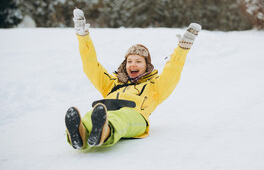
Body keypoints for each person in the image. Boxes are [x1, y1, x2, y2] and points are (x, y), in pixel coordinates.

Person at [65, 8, 201, 150]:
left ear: (146, 65)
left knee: (121, 119)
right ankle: (79, 134)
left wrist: (182, 49)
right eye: (129, 61)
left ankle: (104, 131)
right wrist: (83, 37)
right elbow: (91, 66)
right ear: (125, 64)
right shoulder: (112, 83)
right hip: (107, 110)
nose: (133, 64)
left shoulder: (154, 87)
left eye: (138, 61)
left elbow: (173, 70)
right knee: (89, 116)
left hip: (135, 116)